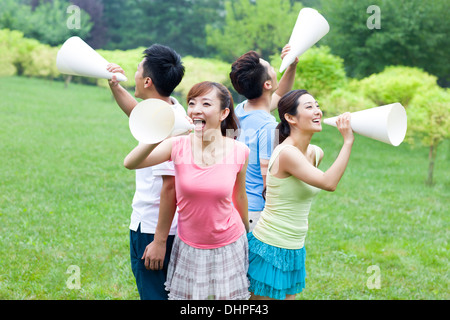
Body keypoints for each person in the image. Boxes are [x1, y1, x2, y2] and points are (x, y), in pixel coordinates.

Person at [124, 81, 251, 300]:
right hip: (189, 246)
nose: (196, 109)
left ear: (224, 113)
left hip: (229, 243)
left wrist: (248, 234)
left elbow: (239, 195)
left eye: (206, 103)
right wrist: (162, 132)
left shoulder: (240, 151)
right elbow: (131, 162)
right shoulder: (178, 145)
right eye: (192, 103)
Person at [247, 89, 354, 300]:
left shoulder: (315, 153)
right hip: (270, 246)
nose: (318, 112)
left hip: (294, 247)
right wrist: (348, 142)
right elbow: (329, 183)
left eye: (317, 105)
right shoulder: (287, 154)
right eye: (309, 107)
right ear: (290, 117)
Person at [106, 44, 185, 300]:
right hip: (169, 228)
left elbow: (170, 186)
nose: (135, 76)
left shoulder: (167, 124)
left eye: (138, 71)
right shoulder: (172, 109)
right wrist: (115, 86)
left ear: (148, 81)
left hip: (154, 229)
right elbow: (136, 114)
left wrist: (159, 241)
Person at [229, 45, 298, 231]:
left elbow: (280, 94)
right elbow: (268, 177)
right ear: (267, 85)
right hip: (256, 212)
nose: (275, 70)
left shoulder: (240, 110)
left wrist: (291, 67)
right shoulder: (267, 126)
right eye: (271, 68)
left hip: (236, 204)